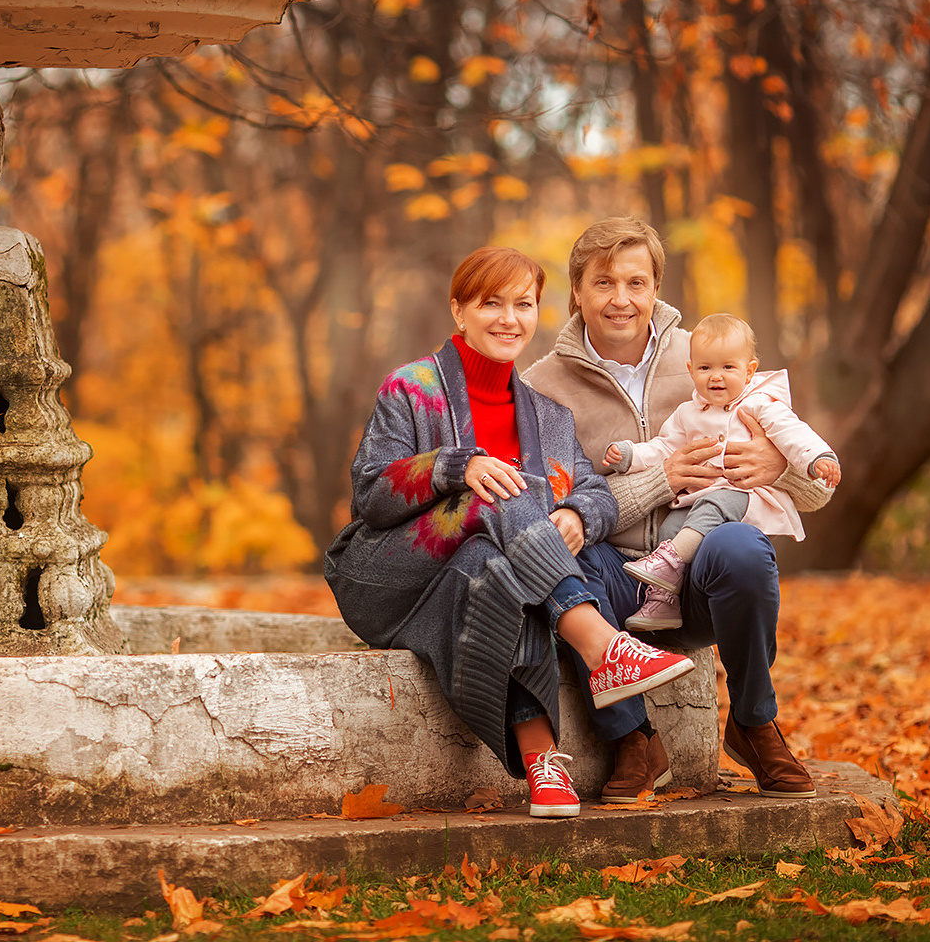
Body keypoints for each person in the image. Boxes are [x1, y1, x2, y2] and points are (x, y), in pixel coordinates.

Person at [325, 245, 696, 819]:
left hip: (468, 579)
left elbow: (595, 492)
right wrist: (455, 466)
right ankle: (601, 643)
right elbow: (371, 494)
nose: (508, 318)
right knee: (497, 496)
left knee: (497, 570)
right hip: (385, 573)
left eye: (523, 304)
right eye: (490, 303)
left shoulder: (547, 414)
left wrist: (576, 517)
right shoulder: (411, 388)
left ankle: (542, 763)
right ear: (459, 311)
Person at [525, 218, 834, 802]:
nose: (621, 300)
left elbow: (815, 488)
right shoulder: (541, 388)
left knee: (740, 545)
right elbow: (550, 515)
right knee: (565, 554)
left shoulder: (713, 357)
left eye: (637, 283)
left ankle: (752, 720)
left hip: (698, 581)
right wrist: (655, 481)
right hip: (613, 584)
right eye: (604, 283)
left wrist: (778, 468)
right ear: (577, 291)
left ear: (656, 287)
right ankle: (634, 738)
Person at [600, 312, 840, 632]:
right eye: (705, 368)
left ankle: (670, 561)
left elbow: (792, 433)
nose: (716, 376)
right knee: (670, 527)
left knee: (718, 503)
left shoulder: (759, 404)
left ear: (749, 370)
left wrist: (816, 457)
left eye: (728, 367)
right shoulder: (688, 413)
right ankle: (662, 602)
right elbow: (665, 447)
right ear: (691, 371)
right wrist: (631, 455)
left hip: (744, 495)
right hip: (698, 500)